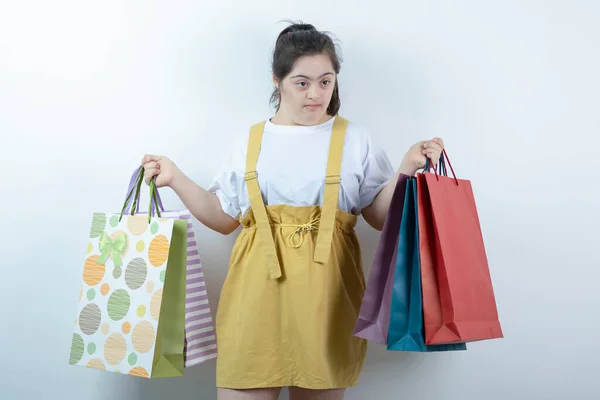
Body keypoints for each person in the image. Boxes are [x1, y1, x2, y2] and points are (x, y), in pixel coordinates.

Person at [142, 22, 443, 400]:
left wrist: (405, 169)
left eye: (325, 81)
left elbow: (380, 218)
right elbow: (222, 218)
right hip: (253, 303)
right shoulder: (250, 141)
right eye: (302, 82)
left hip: (328, 305)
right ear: (277, 80)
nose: (315, 94)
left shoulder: (355, 140)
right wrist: (176, 178)